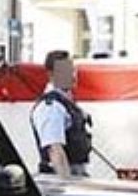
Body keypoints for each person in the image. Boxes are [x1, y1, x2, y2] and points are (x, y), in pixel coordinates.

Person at [31, 50, 93, 178]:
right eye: (66, 70)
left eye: (73, 70)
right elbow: (55, 150)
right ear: (51, 74)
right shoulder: (51, 107)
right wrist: (67, 185)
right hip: (60, 176)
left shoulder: (65, 103)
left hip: (76, 173)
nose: (73, 75)